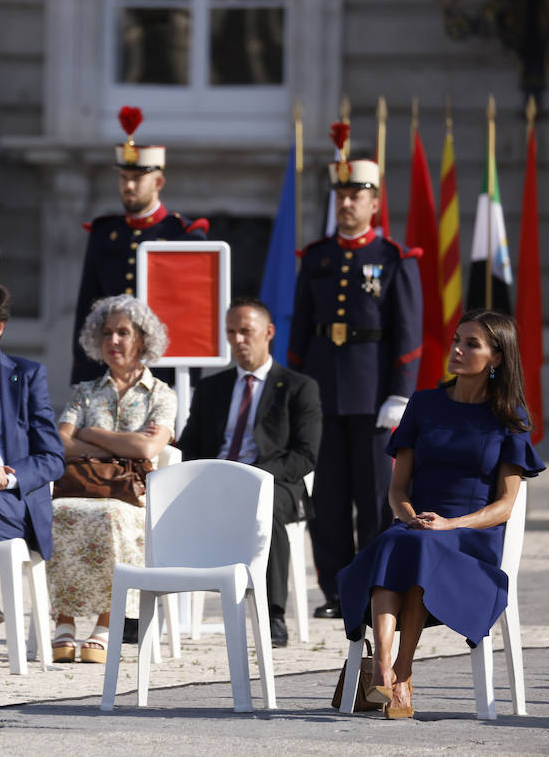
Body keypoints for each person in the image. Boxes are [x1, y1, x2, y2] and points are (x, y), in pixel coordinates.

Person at [337, 310, 544, 719]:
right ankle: (387, 670)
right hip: (417, 526)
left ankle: (400, 673)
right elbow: (397, 489)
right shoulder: (424, 404)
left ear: (496, 357)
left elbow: (504, 505)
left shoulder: (509, 417)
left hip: (472, 539)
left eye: (471, 344)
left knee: (417, 547)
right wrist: (410, 516)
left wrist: (450, 524)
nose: (457, 350)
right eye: (456, 340)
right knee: (402, 542)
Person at [288, 153, 422, 620]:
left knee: (375, 497)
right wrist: (295, 391)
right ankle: (337, 591)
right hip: (323, 393)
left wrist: (400, 394)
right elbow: (300, 331)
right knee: (327, 500)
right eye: (340, 195)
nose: (346, 203)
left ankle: (375, 588)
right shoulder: (317, 257)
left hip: (373, 395)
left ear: (374, 202)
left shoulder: (393, 258)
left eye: (355, 196)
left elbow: (408, 334)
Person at [177, 297, 323, 647]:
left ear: (268, 332)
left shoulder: (299, 387)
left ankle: (272, 615)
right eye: (231, 332)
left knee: (264, 508)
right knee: (154, 503)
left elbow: (305, 456)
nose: (238, 340)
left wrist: (251, 478)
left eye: (246, 331)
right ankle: (142, 609)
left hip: (273, 484)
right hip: (214, 481)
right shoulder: (211, 388)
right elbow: (189, 447)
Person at [50, 294, 174, 664]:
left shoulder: (162, 395)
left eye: (123, 332)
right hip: (81, 487)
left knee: (110, 516)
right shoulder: (84, 391)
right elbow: (59, 443)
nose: (113, 340)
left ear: (143, 338)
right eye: (107, 333)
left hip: (132, 497)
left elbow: (148, 447)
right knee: (57, 511)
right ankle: (64, 621)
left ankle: (105, 624)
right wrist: (121, 446)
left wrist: (89, 434)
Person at [71, 108, 206, 384]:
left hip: (162, 370)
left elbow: (194, 315)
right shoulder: (104, 232)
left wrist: (189, 380)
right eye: (123, 177)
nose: (128, 185)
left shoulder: (183, 235)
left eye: (137, 178)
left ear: (158, 182)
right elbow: (88, 304)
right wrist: (82, 372)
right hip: (109, 367)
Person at [0, 284, 65, 632]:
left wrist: (7, 476)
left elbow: (53, 457)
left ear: (0, 326)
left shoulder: (27, 375)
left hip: (12, 501)